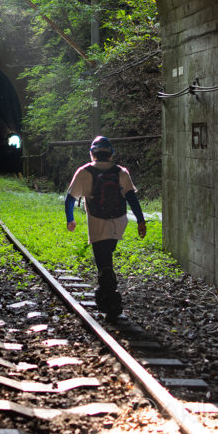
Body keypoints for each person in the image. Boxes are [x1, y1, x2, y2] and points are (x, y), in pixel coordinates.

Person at [64, 136, 146, 318]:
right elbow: (132, 197)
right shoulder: (121, 172)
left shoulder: (84, 172)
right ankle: (105, 293)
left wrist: (70, 219)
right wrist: (141, 221)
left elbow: (69, 199)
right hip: (118, 222)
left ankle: (110, 298)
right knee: (106, 256)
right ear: (111, 154)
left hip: (97, 222)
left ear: (92, 153)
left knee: (103, 261)